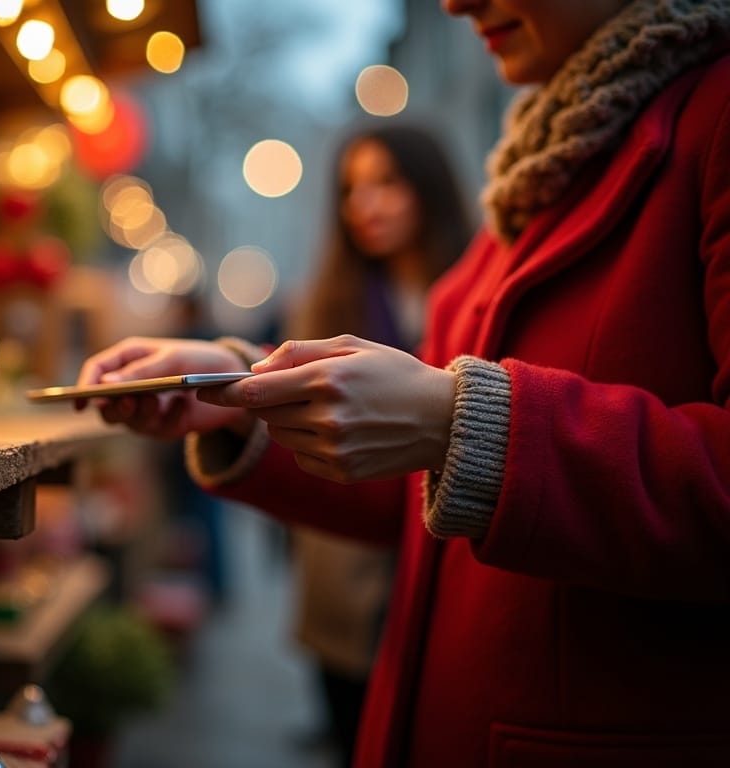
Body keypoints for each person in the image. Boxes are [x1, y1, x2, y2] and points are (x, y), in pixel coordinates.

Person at [74, 0, 730, 765]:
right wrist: (238, 405)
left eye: (389, 184)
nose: (454, 3)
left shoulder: (705, 126)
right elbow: (422, 487)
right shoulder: (539, 177)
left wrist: (466, 425)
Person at [284, 120, 472, 767]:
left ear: (429, 188)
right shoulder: (326, 301)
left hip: (454, 550)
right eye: (352, 188)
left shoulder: (478, 288)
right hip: (346, 567)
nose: (366, 204)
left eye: (387, 183)